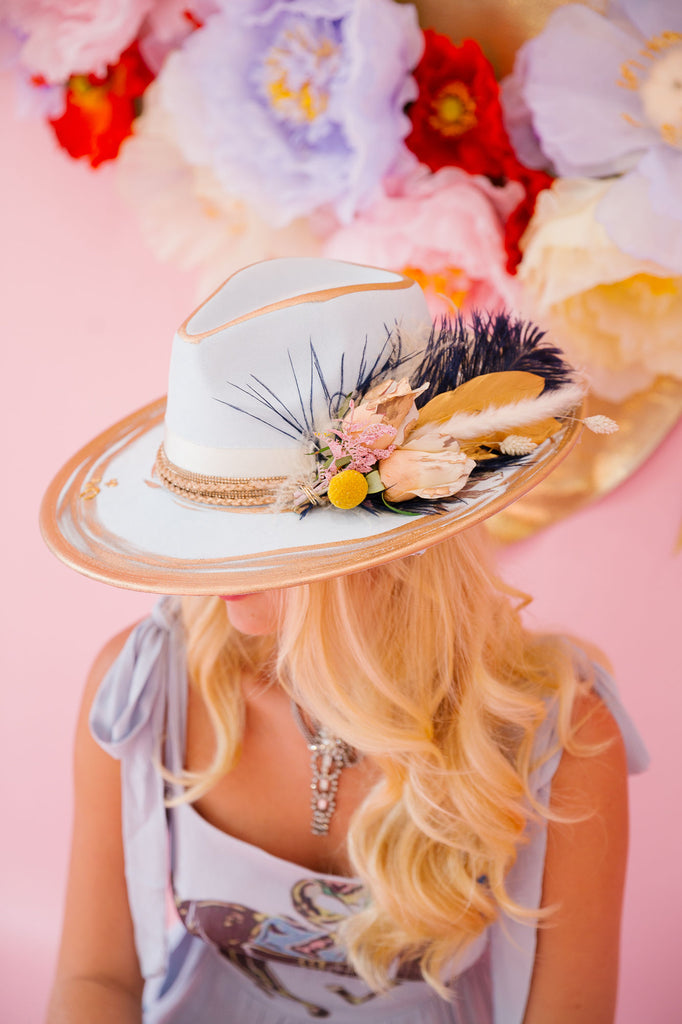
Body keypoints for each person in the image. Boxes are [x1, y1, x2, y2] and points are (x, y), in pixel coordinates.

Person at [41, 258, 647, 1024]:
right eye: (203, 526)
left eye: (247, 529)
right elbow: (96, 978)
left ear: (395, 541)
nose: (202, 567)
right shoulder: (145, 686)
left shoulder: (559, 739)